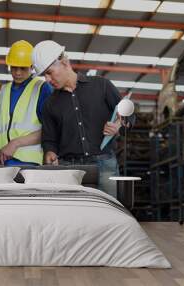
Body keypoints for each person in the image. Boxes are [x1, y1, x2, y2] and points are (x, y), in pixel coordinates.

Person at [32, 40, 135, 198]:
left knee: (109, 212)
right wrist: (50, 152)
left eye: (49, 72)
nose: (47, 80)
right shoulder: (49, 105)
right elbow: (49, 139)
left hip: (105, 163)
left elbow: (129, 115)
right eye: (43, 75)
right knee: (74, 216)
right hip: (69, 169)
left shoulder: (102, 86)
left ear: (64, 62)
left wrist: (118, 127)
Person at [0, 40, 53, 166]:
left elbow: (50, 129)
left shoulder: (42, 88)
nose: (17, 73)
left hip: (30, 165)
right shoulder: (4, 90)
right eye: (14, 67)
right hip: (2, 162)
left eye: (23, 68)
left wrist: (15, 143)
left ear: (32, 66)